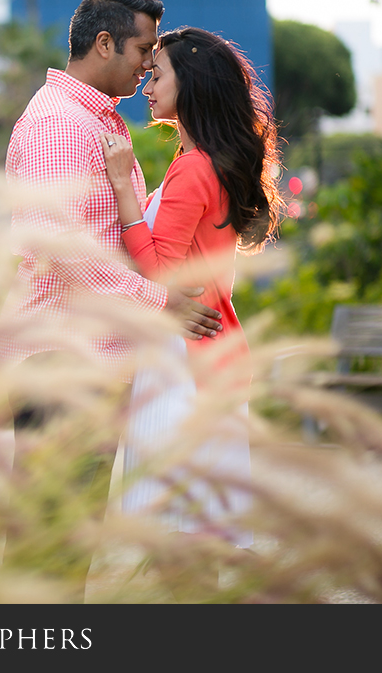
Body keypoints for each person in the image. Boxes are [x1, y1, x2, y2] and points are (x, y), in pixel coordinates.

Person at [0, 0, 223, 562]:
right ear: (105, 43)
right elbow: (67, 248)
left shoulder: (97, 121)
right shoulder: (60, 125)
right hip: (63, 362)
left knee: (63, 543)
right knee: (49, 547)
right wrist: (158, 301)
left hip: (90, 360)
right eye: (143, 49)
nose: (150, 64)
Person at [101, 27, 284, 548]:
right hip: (208, 352)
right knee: (192, 533)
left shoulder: (194, 169)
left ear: (194, 84)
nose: (146, 85)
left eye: (157, 75)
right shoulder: (207, 163)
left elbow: (161, 270)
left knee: (177, 536)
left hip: (184, 363)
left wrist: (121, 187)